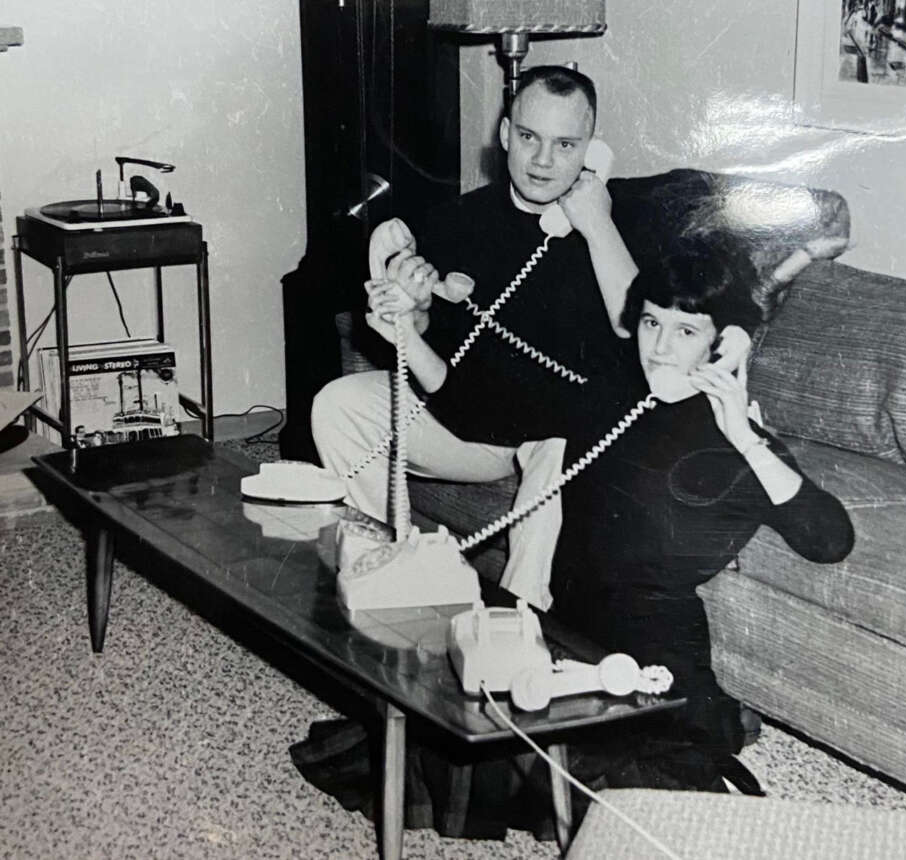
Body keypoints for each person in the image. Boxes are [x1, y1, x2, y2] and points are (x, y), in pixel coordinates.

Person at [311, 66, 749, 569]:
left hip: (556, 434)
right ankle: (378, 563)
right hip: (467, 417)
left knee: (564, 445)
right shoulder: (459, 219)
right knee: (337, 404)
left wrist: (596, 225)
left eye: (566, 145)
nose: (543, 161)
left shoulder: (620, 225)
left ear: (591, 150)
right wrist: (417, 310)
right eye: (528, 138)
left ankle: (525, 618)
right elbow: (447, 338)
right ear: (504, 135)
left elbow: (642, 334)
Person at [538, 236, 854, 784]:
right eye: (650, 323)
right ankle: (724, 715)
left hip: (654, 652)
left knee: (611, 782)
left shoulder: (729, 441)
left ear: (723, 343)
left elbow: (829, 541)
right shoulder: (614, 393)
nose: (658, 347)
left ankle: (716, 715)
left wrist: (745, 434)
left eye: (685, 331)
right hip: (572, 630)